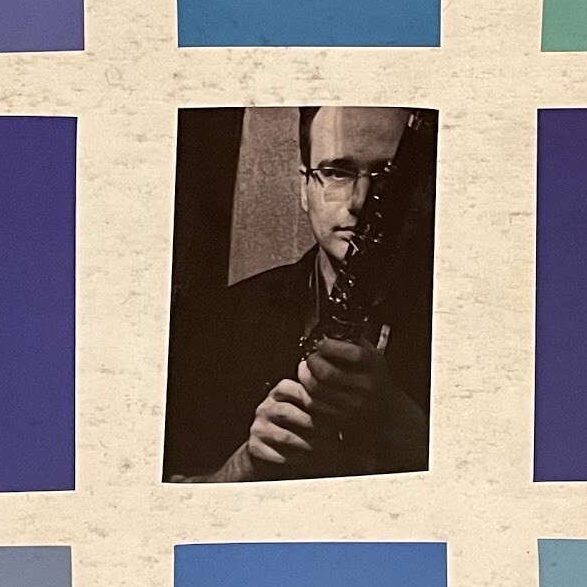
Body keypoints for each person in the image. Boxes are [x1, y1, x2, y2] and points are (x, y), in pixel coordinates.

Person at [175, 105, 434, 482]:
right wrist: (243, 466)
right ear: (304, 188)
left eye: (388, 175)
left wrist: (404, 428)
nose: (360, 201)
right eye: (337, 172)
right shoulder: (216, 323)